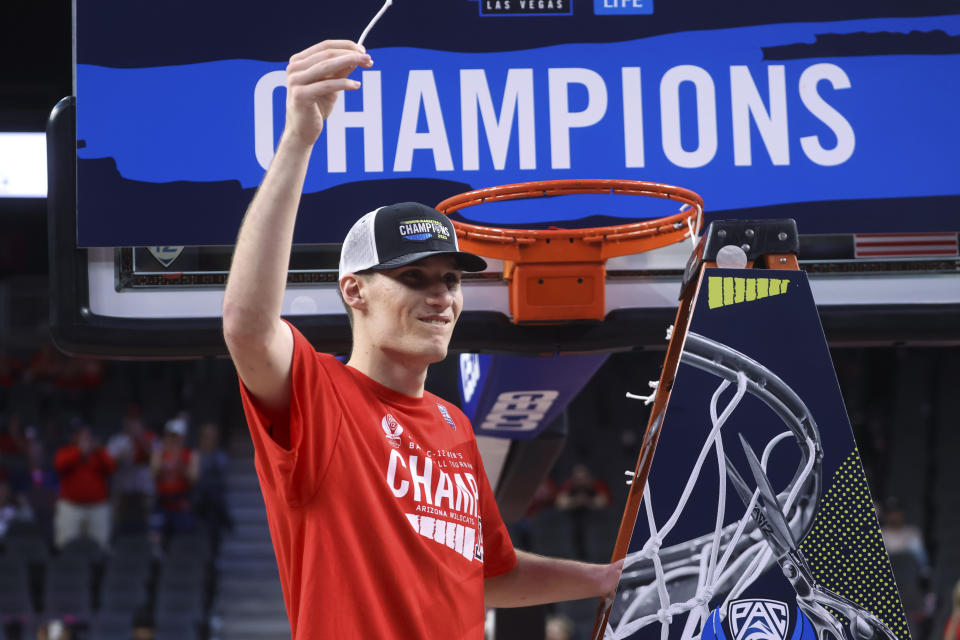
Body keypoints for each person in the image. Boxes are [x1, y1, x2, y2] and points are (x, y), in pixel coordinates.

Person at [222, 39, 622, 639]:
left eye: (451, 279)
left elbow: (488, 575)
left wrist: (611, 577)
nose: (441, 297)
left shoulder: (454, 425)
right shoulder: (320, 394)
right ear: (354, 291)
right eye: (413, 278)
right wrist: (299, 140)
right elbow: (247, 327)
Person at [52, 421, 115, 549]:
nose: (84, 438)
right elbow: (59, 465)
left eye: (87, 435)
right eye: (80, 435)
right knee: (65, 546)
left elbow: (112, 468)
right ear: (73, 437)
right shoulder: (66, 451)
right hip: (71, 507)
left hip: (97, 508)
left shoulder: (99, 453)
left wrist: (97, 450)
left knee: (100, 547)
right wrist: (80, 451)